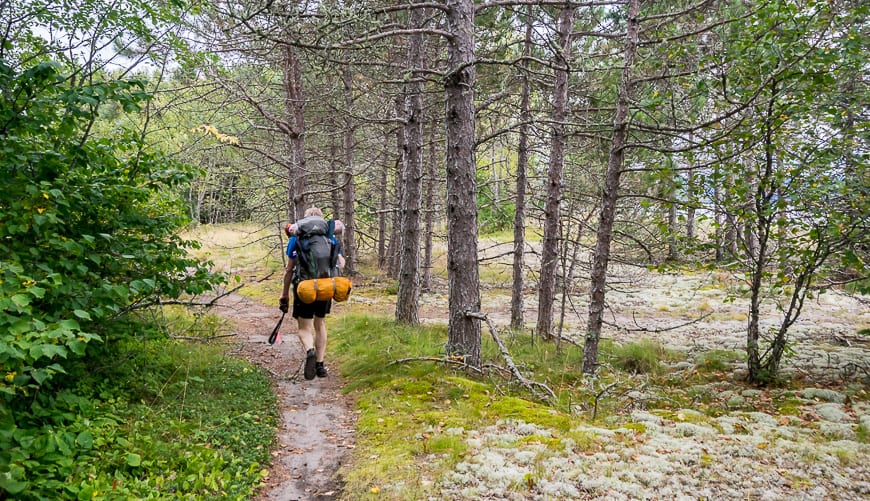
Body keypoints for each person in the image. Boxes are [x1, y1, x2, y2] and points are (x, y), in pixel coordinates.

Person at [279, 207, 345, 380]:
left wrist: (285, 294)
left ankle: (310, 351)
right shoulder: (329, 237)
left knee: (304, 328)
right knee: (320, 324)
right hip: (326, 287)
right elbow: (341, 264)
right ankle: (320, 366)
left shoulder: (297, 237)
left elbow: (289, 269)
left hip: (304, 287)